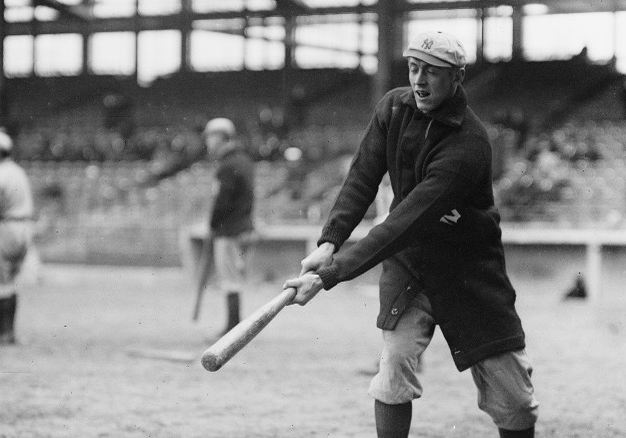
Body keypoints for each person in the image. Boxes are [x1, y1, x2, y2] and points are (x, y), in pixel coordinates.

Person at [283, 31, 539, 437]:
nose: (419, 80)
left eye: (432, 72)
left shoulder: (469, 144)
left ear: (457, 77)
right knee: (395, 366)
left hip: (468, 269)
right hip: (410, 264)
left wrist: (331, 274)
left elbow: (406, 220)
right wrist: (329, 242)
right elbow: (363, 177)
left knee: (512, 399)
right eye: (414, 67)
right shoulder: (394, 107)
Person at [0, 130, 35, 345]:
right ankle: (8, 331)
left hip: (3, 229)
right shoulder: (17, 172)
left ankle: (2, 333)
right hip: (23, 228)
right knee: (9, 281)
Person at [202, 118, 255, 335]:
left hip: (229, 229)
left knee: (230, 280)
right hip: (242, 226)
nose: (208, 143)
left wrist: (213, 224)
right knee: (234, 277)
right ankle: (234, 325)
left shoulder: (227, 165)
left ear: (221, 138)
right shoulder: (243, 160)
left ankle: (233, 327)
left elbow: (222, 202)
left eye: (210, 137)